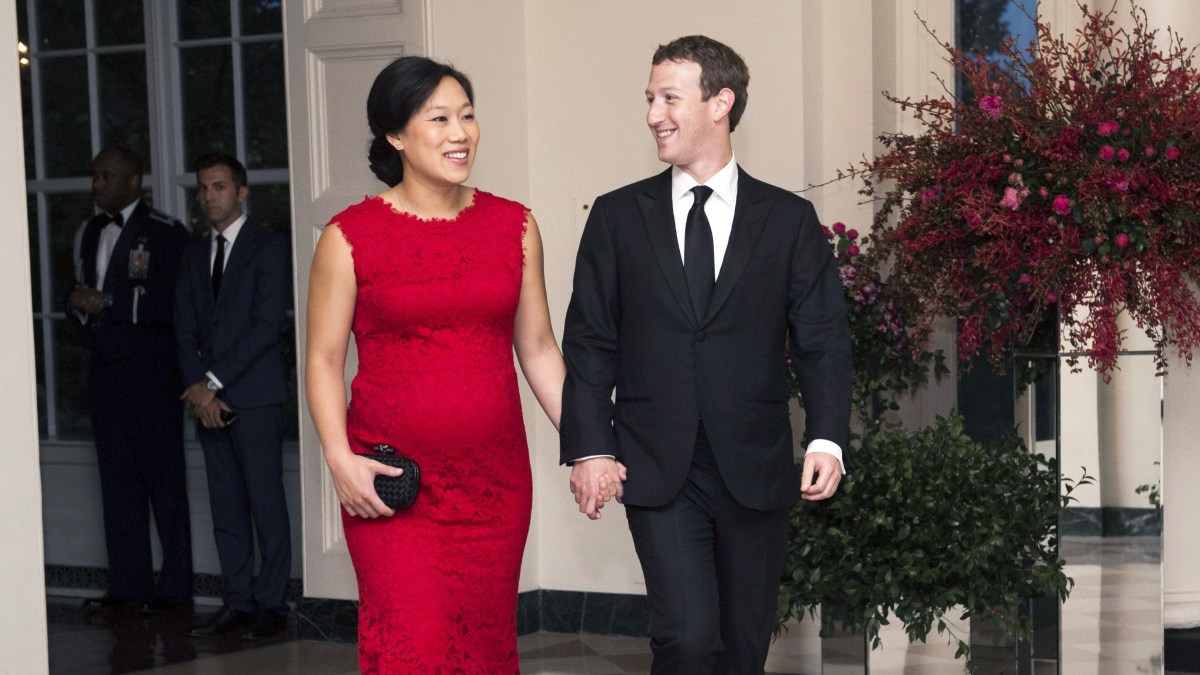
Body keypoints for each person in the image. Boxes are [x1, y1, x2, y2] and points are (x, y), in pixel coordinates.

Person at [560, 36, 853, 674]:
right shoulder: (617, 217)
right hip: (655, 463)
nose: (653, 115)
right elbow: (589, 341)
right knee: (687, 639)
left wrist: (828, 439)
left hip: (754, 464)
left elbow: (823, 340)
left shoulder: (788, 219)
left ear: (720, 103)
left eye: (669, 98)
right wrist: (589, 447)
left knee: (743, 649)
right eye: (649, 99)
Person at [305, 56, 569, 673]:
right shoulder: (348, 237)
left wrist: (592, 443)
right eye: (440, 118)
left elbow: (538, 349)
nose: (461, 133)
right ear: (395, 134)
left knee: (482, 651)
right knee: (413, 649)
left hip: (495, 489)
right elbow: (322, 359)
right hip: (396, 491)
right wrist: (339, 458)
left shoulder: (515, 226)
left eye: (468, 116)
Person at [69, 146, 193, 614]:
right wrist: (81, 305)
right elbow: (75, 293)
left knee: (164, 483)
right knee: (118, 484)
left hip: (153, 377)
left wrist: (111, 304)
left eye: (107, 176)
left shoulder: (165, 232)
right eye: (94, 175)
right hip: (106, 376)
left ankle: (175, 590)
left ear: (134, 181)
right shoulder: (89, 231)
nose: (97, 184)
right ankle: (128, 587)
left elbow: (177, 305)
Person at [175, 153, 293, 639]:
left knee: (266, 505)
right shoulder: (192, 254)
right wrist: (200, 391)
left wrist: (212, 382)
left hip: (256, 397)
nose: (209, 196)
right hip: (209, 403)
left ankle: (271, 604)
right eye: (203, 188)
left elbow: (267, 326)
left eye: (219, 187)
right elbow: (183, 329)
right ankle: (237, 601)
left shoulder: (268, 247)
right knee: (225, 507)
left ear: (241, 192)